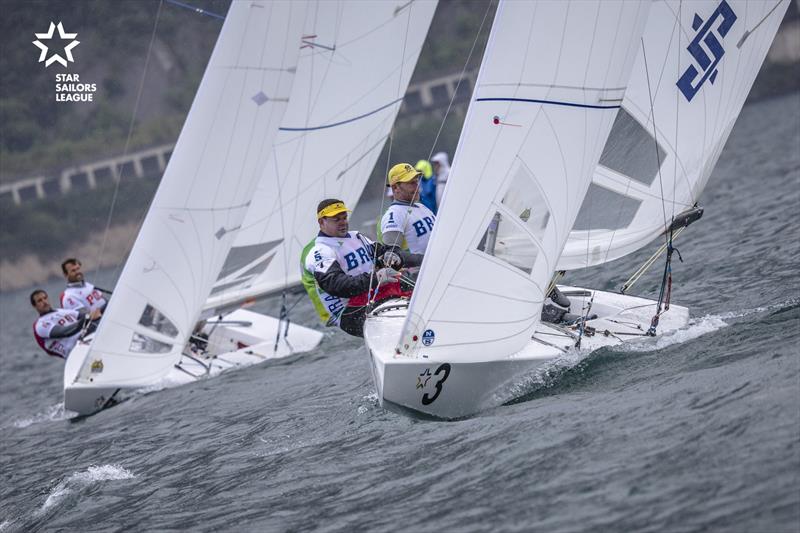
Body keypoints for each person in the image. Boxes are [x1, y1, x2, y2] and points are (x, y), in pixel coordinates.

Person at [305, 198, 423, 337]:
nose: (343, 222)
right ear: (321, 222)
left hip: (374, 294)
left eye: (344, 217)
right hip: (349, 312)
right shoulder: (320, 252)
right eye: (336, 219)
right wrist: (376, 278)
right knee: (401, 316)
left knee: (422, 294)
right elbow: (336, 285)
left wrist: (400, 259)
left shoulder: (357, 237)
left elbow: (385, 253)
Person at [380, 162, 436, 254]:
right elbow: (392, 257)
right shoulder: (394, 215)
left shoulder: (421, 206)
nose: (417, 186)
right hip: (424, 268)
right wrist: (428, 260)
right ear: (395, 188)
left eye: (417, 181)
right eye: (411, 183)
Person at [31, 289, 98, 359]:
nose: (44, 302)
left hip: (89, 340)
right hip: (77, 352)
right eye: (39, 301)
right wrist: (88, 317)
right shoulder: (40, 325)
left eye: (45, 298)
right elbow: (66, 331)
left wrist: (96, 314)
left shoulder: (60, 311)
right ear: (35, 306)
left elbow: (85, 315)